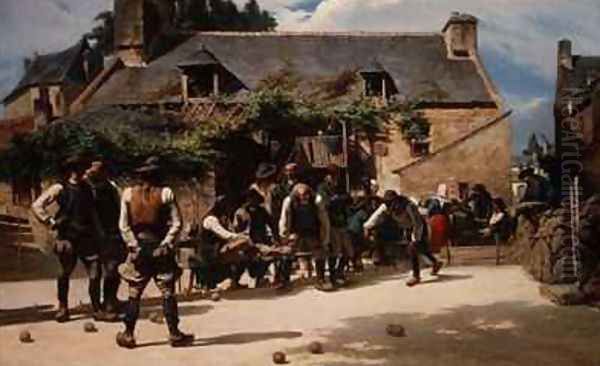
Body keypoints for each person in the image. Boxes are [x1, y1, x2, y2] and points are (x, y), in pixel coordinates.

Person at [116, 157, 193, 348]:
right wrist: (166, 243)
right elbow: (177, 222)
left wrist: (133, 245)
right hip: (160, 247)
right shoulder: (165, 193)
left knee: (134, 292)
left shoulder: (128, 194)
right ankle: (174, 334)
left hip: (139, 248)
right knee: (167, 291)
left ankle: (128, 334)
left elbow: (123, 225)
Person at [32, 155, 105, 322]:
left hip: (87, 236)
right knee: (64, 272)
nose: (85, 171)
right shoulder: (60, 188)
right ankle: (63, 307)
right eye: (82, 168)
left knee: (95, 272)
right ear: (73, 170)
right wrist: (50, 221)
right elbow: (37, 205)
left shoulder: (88, 188)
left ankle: (96, 308)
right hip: (67, 237)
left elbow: (93, 213)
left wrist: (100, 233)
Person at [364, 190, 443, 287]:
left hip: (419, 227)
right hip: (407, 228)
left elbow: (417, 222)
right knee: (422, 249)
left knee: (413, 248)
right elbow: (375, 217)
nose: (389, 204)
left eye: (391, 202)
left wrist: (415, 238)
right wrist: (367, 227)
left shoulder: (408, 206)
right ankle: (436, 263)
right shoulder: (386, 207)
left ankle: (416, 275)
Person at [85, 159, 124, 321]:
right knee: (95, 274)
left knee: (112, 270)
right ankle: (96, 307)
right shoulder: (84, 188)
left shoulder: (112, 188)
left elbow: (120, 209)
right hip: (90, 236)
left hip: (111, 234)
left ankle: (109, 301)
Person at [279, 183, 332, 291]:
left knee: (319, 253)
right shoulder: (289, 201)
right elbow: (284, 218)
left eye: (306, 195)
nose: (304, 198)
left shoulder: (317, 200)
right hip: (295, 231)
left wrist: (325, 238)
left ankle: (320, 280)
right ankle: (284, 281)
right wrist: (284, 235)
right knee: (287, 253)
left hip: (312, 231)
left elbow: (324, 220)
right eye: (301, 196)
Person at [201, 195, 251, 291]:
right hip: (211, 251)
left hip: (219, 248)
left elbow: (230, 232)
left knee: (244, 252)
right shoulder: (211, 219)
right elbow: (225, 235)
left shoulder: (223, 218)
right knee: (243, 244)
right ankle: (228, 281)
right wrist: (240, 236)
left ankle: (234, 281)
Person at [232, 189, 279, 288]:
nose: (254, 201)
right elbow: (235, 229)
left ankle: (259, 278)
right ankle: (235, 281)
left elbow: (271, 224)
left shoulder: (262, 211)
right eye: (252, 198)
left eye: (256, 199)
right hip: (245, 242)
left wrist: (275, 238)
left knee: (269, 255)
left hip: (261, 240)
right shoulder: (241, 212)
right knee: (242, 259)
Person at [317, 165, 354, 286]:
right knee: (334, 252)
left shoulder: (340, 186)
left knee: (349, 252)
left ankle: (339, 272)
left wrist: (337, 199)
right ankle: (333, 277)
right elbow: (326, 203)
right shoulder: (322, 187)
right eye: (332, 174)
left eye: (335, 174)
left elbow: (349, 199)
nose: (334, 176)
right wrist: (338, 199)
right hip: (331, 223)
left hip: (343, 222)